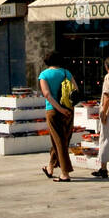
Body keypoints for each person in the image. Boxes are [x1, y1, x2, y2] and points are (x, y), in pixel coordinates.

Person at [38, 50, 78, 183]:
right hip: (68, 110)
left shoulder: (44, 75)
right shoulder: (66, 73)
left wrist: (59, 109)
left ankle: (65, 173)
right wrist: (67, 108)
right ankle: (50, 167)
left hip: (53, 111)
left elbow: (47, 95)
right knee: (61, 139)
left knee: (59, 141)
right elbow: (76, 91)